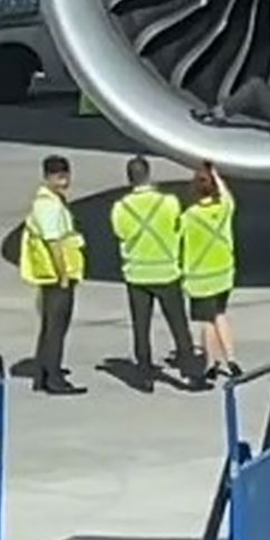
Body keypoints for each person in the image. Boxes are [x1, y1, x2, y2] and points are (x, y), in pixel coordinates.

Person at [110, 156, 205, 393]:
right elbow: (176, 226)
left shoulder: (121, 208)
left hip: (137, 274)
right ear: (149, 175)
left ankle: (144, 376)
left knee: (141, 327)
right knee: (179, 326)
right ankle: (191, 374)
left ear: (129, 178)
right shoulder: (168, 202)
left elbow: (121, 233)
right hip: (166, 272)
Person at [20, 155, 87, 395]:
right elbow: (54, 243)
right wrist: (64, 274)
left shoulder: (54, 200)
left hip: (53, 275)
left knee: (50, 326)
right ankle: (54, 379)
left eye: (66, 174)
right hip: (57, 276)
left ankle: (43, 373)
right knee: (56, 328)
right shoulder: (47, 205)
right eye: (59, 176)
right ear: (47, 177)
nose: (64, 180)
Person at [181, 163, 241, 382]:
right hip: (223, 272)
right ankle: (231, 359)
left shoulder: (189, 216)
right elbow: (226, 194)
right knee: (220, 315)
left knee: (207, 321)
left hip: (201, 277)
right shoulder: (224, 208)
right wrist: (215, 174)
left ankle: (211, 363)